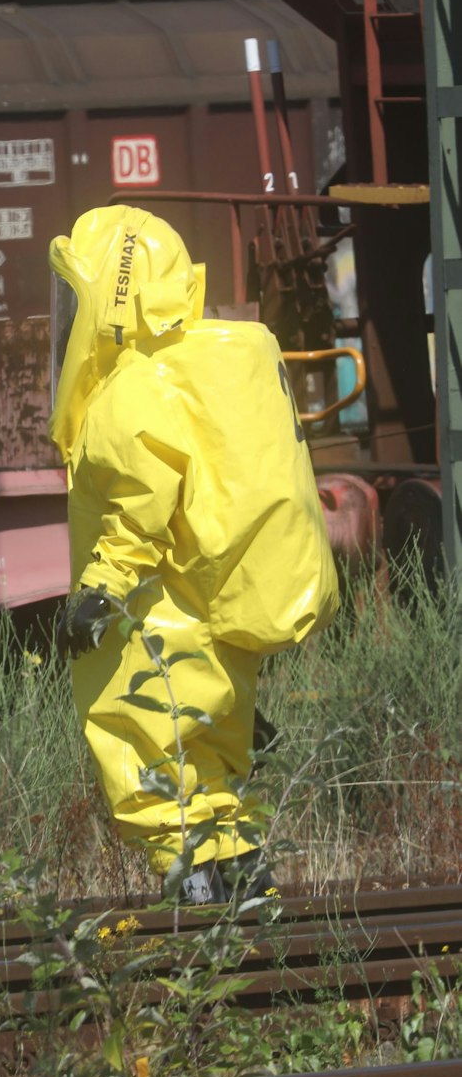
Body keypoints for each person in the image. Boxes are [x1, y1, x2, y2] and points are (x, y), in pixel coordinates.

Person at [46, 206, 337, 904]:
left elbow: (140, 503)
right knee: (213, 778)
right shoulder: (207, 369)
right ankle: (249, 907)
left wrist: (99, 591)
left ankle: (197, 921)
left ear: (112, 296)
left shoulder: (132, 388)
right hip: (212, 617)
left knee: (151, 768)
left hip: (153, 626)